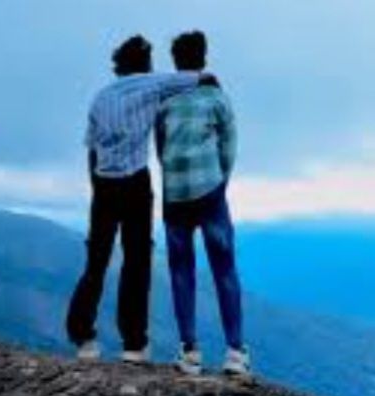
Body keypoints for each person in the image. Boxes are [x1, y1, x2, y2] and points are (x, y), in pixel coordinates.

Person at [66, 35, 206, 362]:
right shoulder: (152, 83)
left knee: (96, 261)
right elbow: (198, 77)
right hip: (135, 185)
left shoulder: (100, 97)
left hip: (103, 183)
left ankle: (83, 336)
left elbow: (91, 149)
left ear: (119, 65)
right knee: (137, 261)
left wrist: (97, 186)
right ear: (145, 63)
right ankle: (133, 344)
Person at [156, 31, 250, 376]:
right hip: (210, 191)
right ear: (204, 57)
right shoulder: (217, 97)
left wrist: (175, 179)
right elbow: (229, 148)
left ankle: (190, 352)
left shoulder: (165, 102)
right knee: (224, 268)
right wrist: (218, 183)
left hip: (174, 194)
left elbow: (161, 150)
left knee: (181, 269)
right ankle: (235, 353)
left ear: (176, 61)